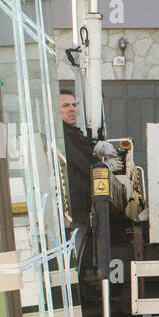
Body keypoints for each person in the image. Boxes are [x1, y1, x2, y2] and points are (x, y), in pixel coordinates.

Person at [60, 86, 95, 230]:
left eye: (74, 105)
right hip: (74, 215)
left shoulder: (73, 135)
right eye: (65, 105)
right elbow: (90, 167)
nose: (72, 109)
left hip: (80, 212)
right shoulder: (64, 137)